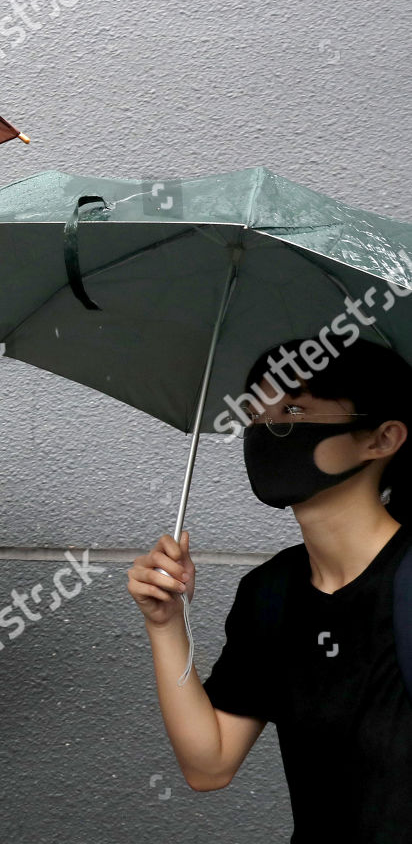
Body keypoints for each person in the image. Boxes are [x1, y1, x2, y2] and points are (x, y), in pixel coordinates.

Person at [128, 337, 412, 842]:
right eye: (256, 413)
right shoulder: (271, 592)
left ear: (382, 438)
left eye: (296, 408)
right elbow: (209, 764)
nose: (268, 430)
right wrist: (166, 624)